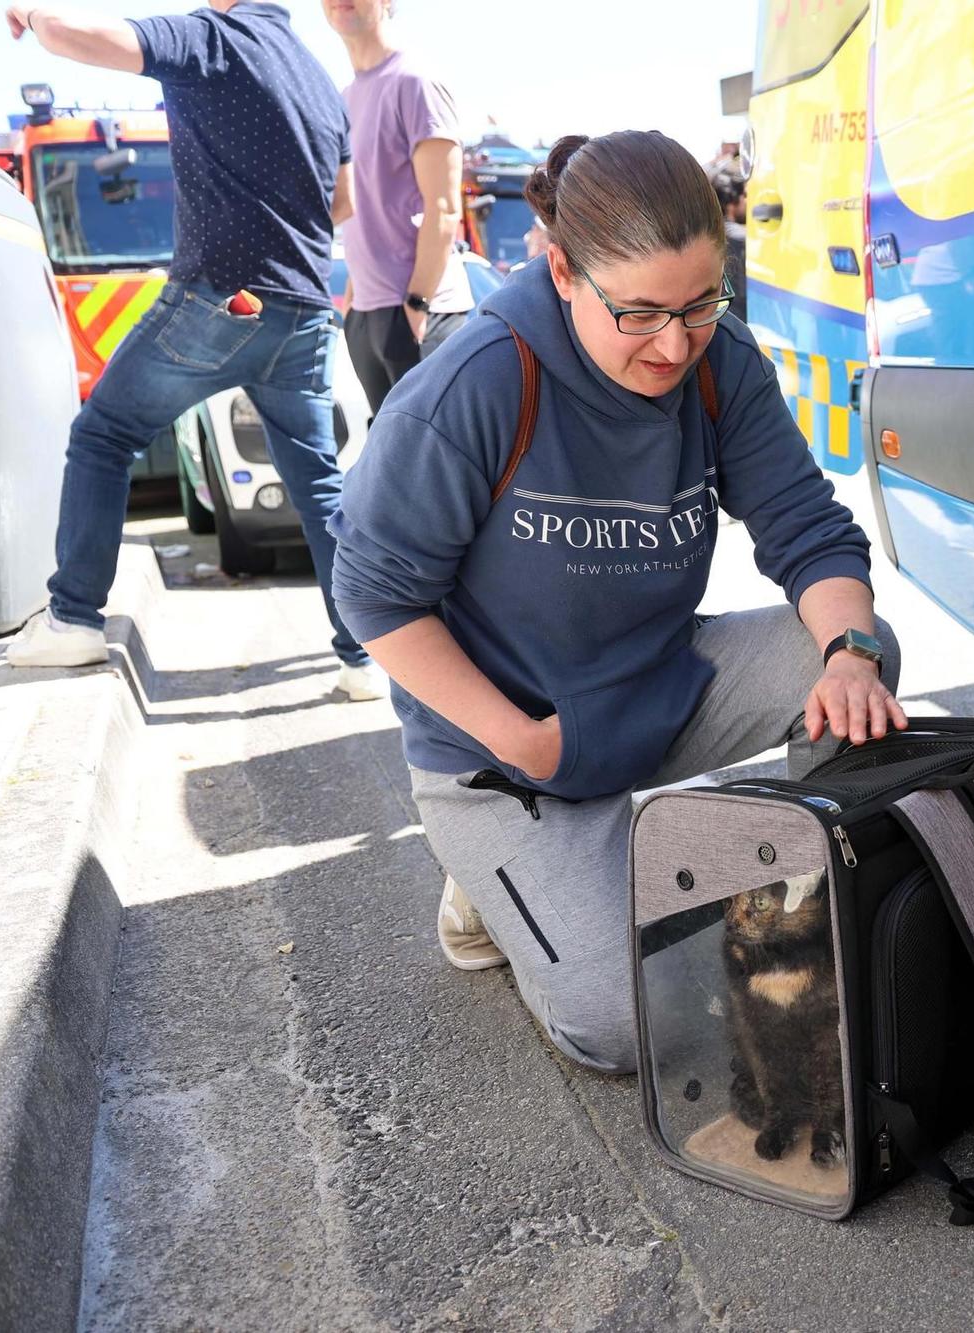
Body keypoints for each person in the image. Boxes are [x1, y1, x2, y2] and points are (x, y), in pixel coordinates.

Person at [329, 132, 905, 1073]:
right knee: (635, 1029)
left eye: (700, 305)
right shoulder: (480, 380)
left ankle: (792, 884)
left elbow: (810, 531)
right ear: (562, 269)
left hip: (659, 691)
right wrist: (519, 740)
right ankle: (488, 878)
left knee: (857, 658)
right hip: (517, 750)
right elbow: (373, 593)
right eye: (638, 314)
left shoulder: (722, 363)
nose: (673, 345)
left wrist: (851, 651)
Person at [2, 0, 385, 701]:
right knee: (320, 486)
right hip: (301, 308)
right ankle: (361, 658)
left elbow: (84, 36)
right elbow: (345, 201)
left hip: (224, 298)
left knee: (104, 434)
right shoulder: (314, 75)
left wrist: (35, 15)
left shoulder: (213, 37)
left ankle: (74, 619)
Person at [320, 0, 472, 414]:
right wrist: (354, 301)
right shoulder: (342, 98)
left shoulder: (416, 82)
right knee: (393, 471)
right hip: (367, 315)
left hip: (423, 312)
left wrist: (417, 303)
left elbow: (443, 207)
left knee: (439, 470)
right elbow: (359, 207)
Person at [711, 163, 747, 322]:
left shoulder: (704, 238)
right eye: (744, 195)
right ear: (732, 201)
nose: (748, 201)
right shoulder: (744, 239)